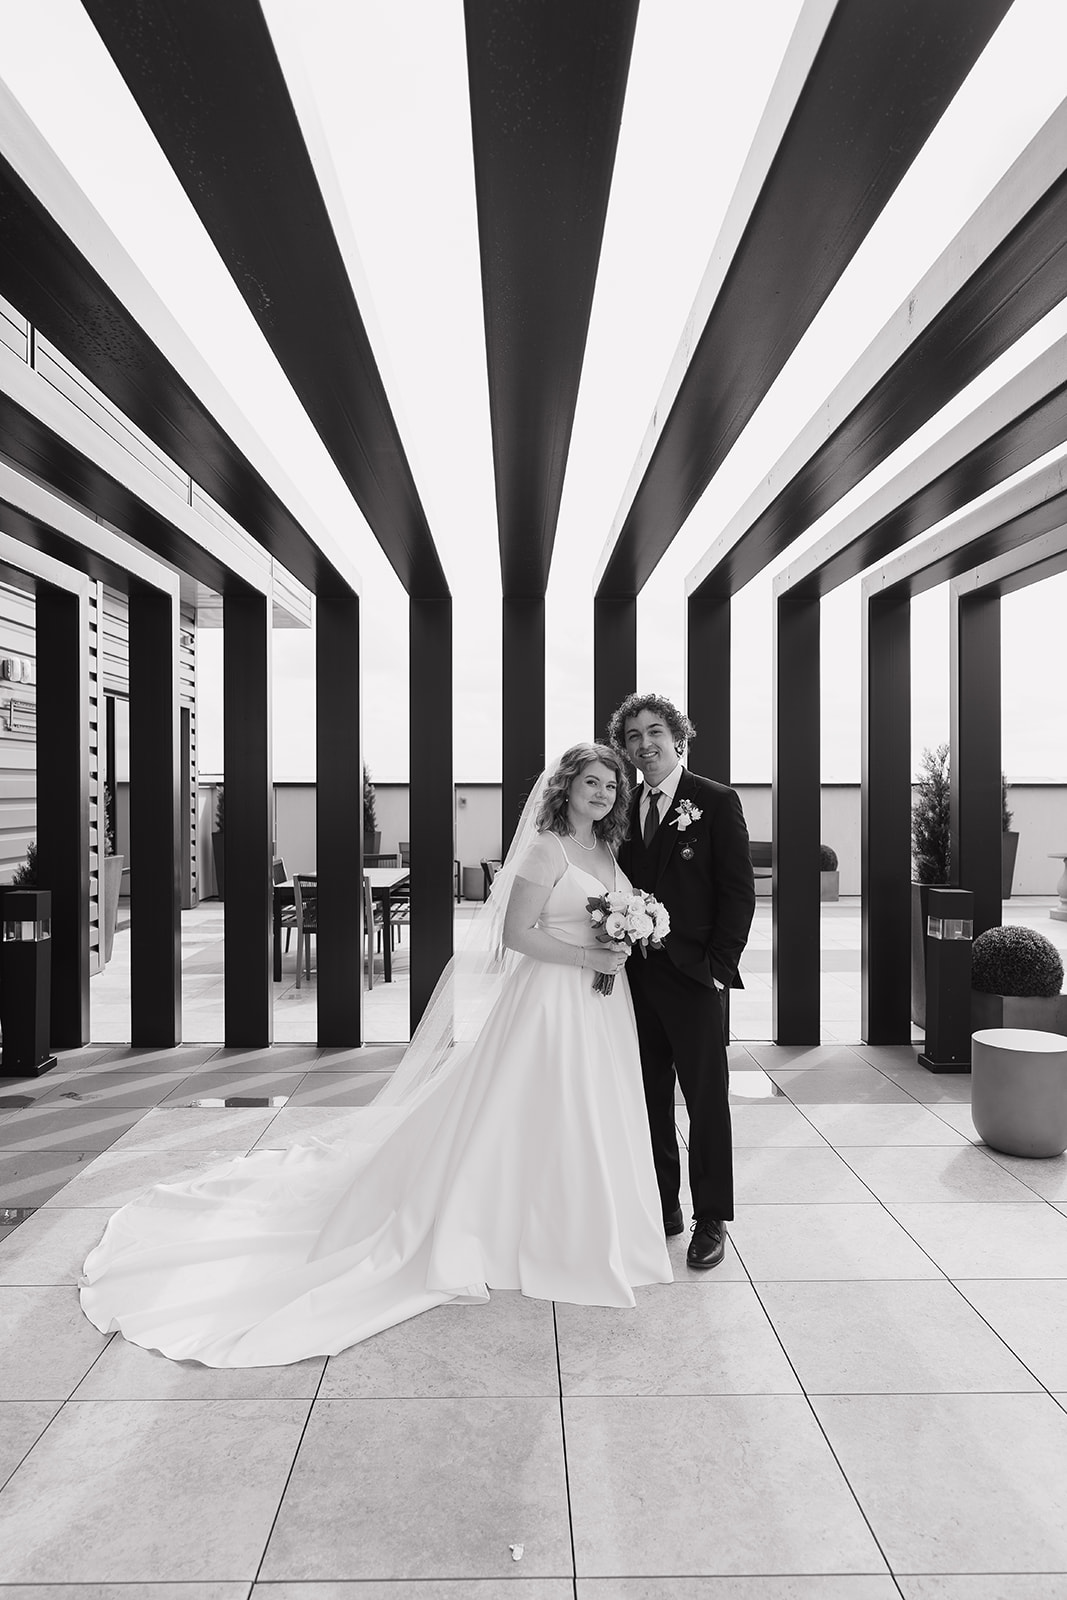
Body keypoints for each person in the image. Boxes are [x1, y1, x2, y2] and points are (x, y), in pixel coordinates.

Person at [79, 743, 671, 1367]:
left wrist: (624, 941)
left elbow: (603, 916)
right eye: (591, 781)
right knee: (535, 1105)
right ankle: (512, 1226)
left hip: (600, 1005)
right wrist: (589, 957)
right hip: (550, 1002)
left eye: (610, 785)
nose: (601, 793)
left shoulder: (605, 850)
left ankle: (584, 1225)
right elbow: (516, 934)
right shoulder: (545, 847)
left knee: (589, 1110)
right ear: (565, 786)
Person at [610, 692, 755, 1270]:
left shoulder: (715, 801)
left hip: (696, 978)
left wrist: (718, 969)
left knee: (705, 1099)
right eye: (634, 737)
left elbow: (737, 891)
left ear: (679, 738)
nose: (644, 745)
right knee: (647, 1096)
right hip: (633, 980)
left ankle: (711, 1216)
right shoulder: (620, 806)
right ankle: (663, 1204)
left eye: (654, 732)